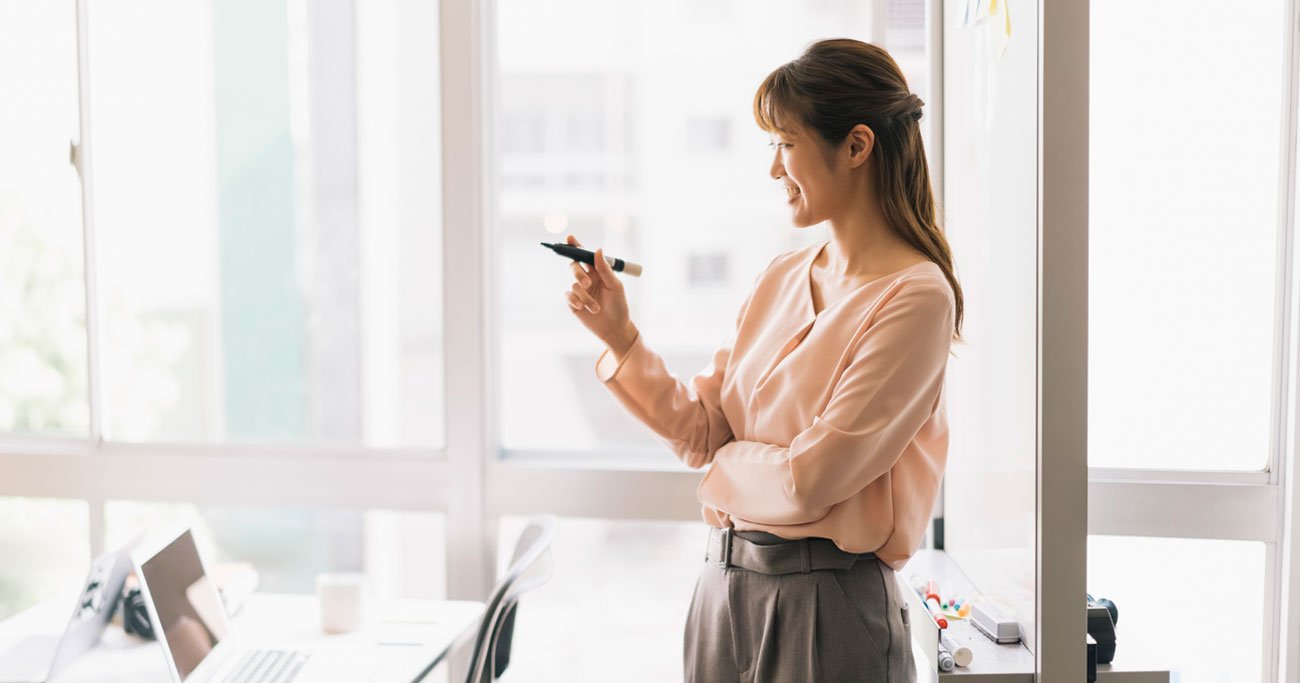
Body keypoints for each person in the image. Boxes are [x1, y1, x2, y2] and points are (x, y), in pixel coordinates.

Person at [562, 38, 964, 682]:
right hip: (722, 591)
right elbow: (703, 431)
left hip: (826, 607)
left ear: (856, 146)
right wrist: (621, 338)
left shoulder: (916, 297)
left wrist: (726, 469)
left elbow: (813, 480)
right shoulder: (782, 274)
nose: (775, 169)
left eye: (785, 143)